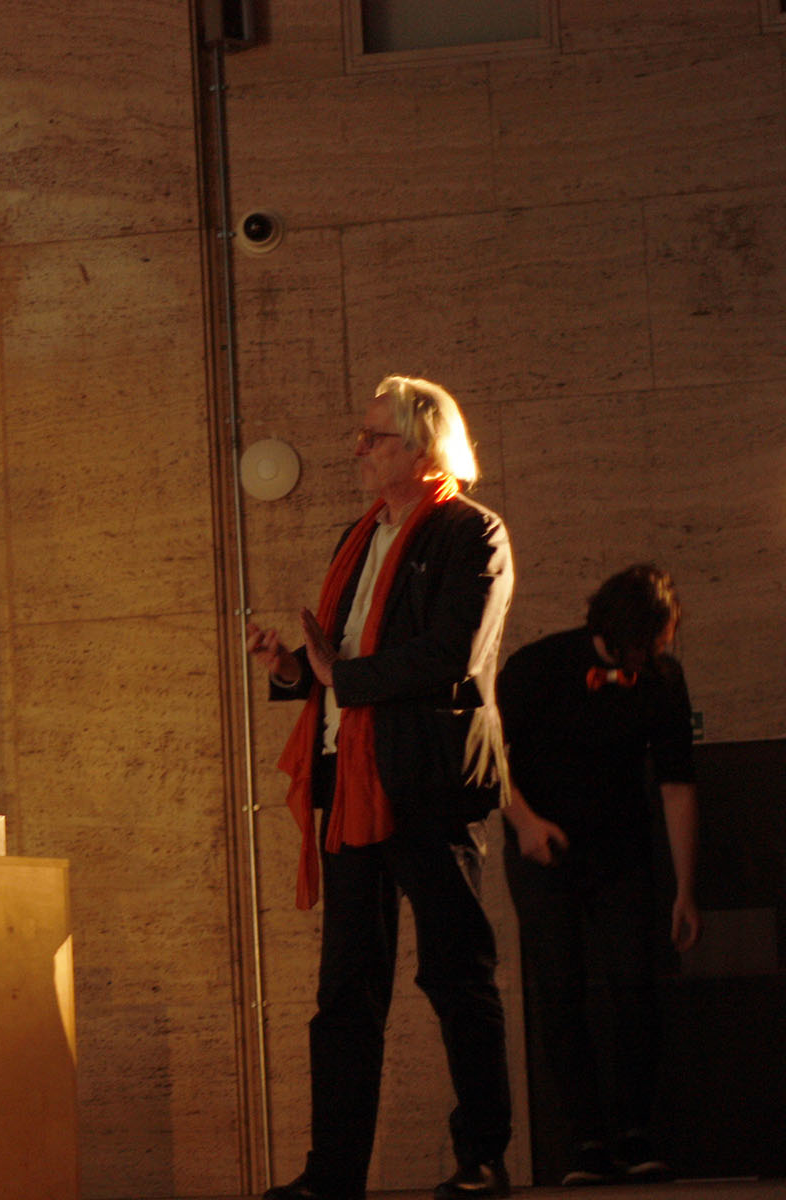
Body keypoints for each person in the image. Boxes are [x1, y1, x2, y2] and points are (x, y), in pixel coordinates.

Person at [246, 376, 516, 1200]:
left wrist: (342, 675)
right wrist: (293, 670)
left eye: (375, 437)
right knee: (345, 993)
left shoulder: (472, 533)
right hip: (350, 784)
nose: (357, 448)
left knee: (456, 976)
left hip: (426, 782)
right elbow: (338, 669)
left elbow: (450, 655)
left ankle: (482, 1158)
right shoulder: (356, 537)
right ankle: (333, 1175)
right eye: (362, 435)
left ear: (423, 449)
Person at [497, 565, 700, 1186]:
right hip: (544, 850)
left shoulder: (662, 679)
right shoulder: (538, 667)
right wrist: (526, 825)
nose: (657, 653)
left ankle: (636, 1133)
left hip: (623, 851)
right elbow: (487, 754)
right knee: (559, 992)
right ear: (622, 633)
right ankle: (584, 1141)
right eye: (650, 643)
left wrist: (686, 889)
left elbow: (677, 786)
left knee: (636, 987)